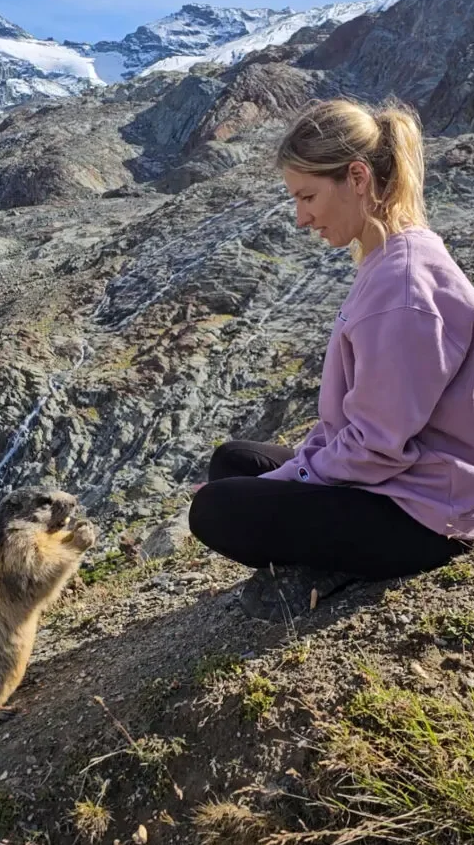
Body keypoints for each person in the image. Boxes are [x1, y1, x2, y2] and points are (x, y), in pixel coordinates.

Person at [189, 98, 474, 580]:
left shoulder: (402, 287)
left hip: (431, 511)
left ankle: (344, 564)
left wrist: (288, 479)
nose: (302, 218)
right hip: (407, 477)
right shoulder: (388, 257)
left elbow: (375, 445)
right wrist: (294, 471)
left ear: (357, 178)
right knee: (234, 460)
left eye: (308, 197)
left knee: (216, 510)